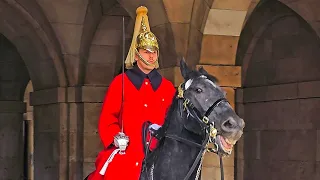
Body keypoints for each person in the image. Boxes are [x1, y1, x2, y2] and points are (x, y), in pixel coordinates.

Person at [86, 6, 176, 180]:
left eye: (154, 52)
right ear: (136, 56)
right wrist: (115, 137)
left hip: (159, 153)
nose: (151, 56)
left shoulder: (167, 87)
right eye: (146, 52)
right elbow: (108, 118)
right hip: (127, 151)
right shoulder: (120, 83)